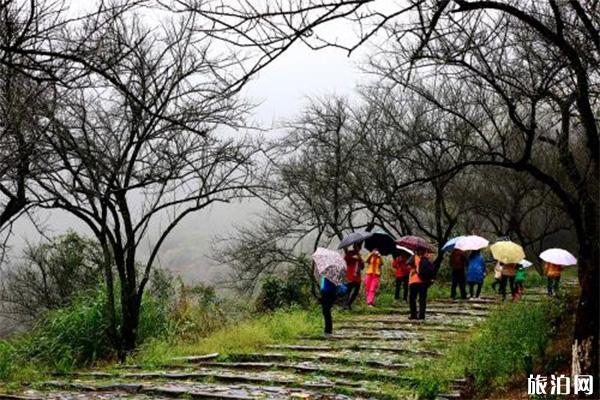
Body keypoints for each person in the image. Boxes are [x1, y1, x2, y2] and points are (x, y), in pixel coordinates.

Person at [408, 249, 434, 320]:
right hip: (423, 282)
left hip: (413, 280)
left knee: (412, 299)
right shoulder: (426, 260)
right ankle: (422, 315)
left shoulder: (414, 257)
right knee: (422, 299)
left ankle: (413, 315)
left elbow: (408, 266)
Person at [343, 242, 364, 310]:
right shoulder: (350, 253)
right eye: (357, 247)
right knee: (348, 291)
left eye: (359, 248)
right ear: (354, 247)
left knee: (356, 292)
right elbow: (346, 260)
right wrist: (352, 257)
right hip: (350, 276)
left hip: (357, 277)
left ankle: (349, 304)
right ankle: (345, 305)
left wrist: (360, 259)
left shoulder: (359, 255)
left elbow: (362, 267)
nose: (358, 249)